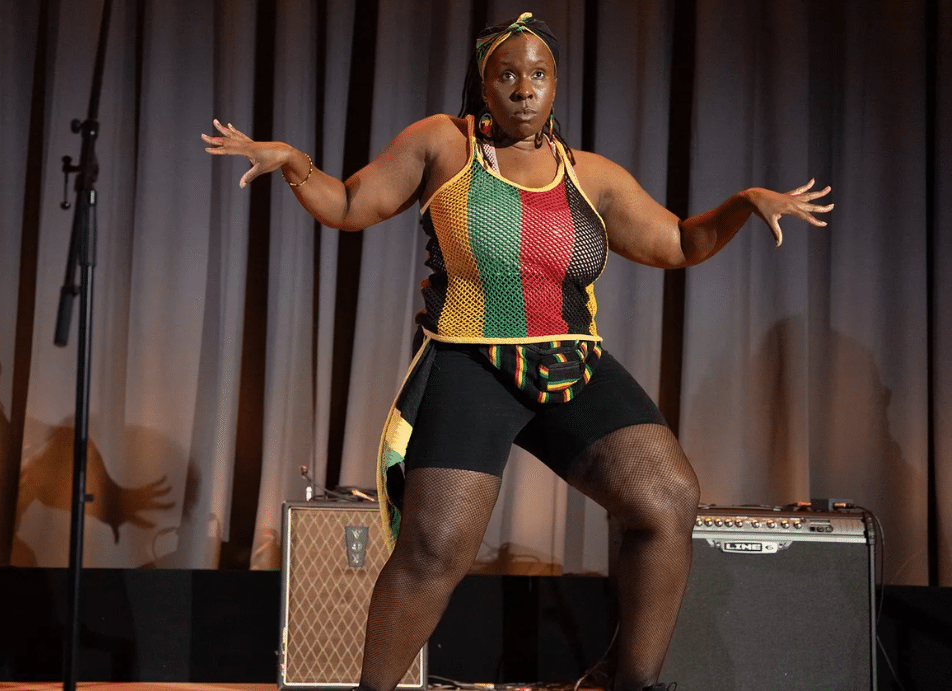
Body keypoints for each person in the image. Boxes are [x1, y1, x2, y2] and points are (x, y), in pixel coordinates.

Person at [202, 13, 831, 691]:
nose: (524, 88)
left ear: (556, 85)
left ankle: (632, 682)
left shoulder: (590, 175)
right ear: (485, 83)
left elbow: (678, 242)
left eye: (538, 74)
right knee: (433, 548)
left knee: (667, 497)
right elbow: (351, 203)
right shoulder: (443, 144)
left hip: (573, 365)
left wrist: (742, 203)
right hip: (472, 361)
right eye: (508, 74)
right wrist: (296, 163)